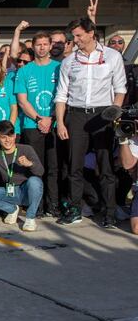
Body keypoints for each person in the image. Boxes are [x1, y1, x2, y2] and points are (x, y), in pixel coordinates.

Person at [55, 17, 127, 227]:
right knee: (74, 165)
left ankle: (109, 212)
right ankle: (75, 209)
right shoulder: (69, 61)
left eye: (78, 35)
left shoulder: (112, 56)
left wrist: (114, 113)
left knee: (105, 166)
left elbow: (120, 89)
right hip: (76, 114)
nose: (75, 40)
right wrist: (60, 122)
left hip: (103, 114)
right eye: (73, 36)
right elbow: (61, 95)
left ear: (90, 33)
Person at [15, 30, 62, 217]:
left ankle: (53, 205)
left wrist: (51, 118)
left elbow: (64, 97)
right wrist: (38, 119)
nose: (42, 48)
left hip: (55, 124)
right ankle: (37, 205)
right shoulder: (24, 71)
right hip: (31, 125)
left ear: (50, 46)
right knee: (35, 167)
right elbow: (22, 100)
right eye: (38, 44)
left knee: (53, 167)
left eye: (45, 44)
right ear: (32, 47)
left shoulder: (59, 67)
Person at [0, 121, 44, 231]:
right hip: (10, 192)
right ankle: (12, 210)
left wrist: (30, 164)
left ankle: (30, 218)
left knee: (35, 181)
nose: (7, 140)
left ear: (15, 136)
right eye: (3, 137)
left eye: (10, 136)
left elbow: (41, 171)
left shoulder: (26, 149)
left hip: (26, 191)